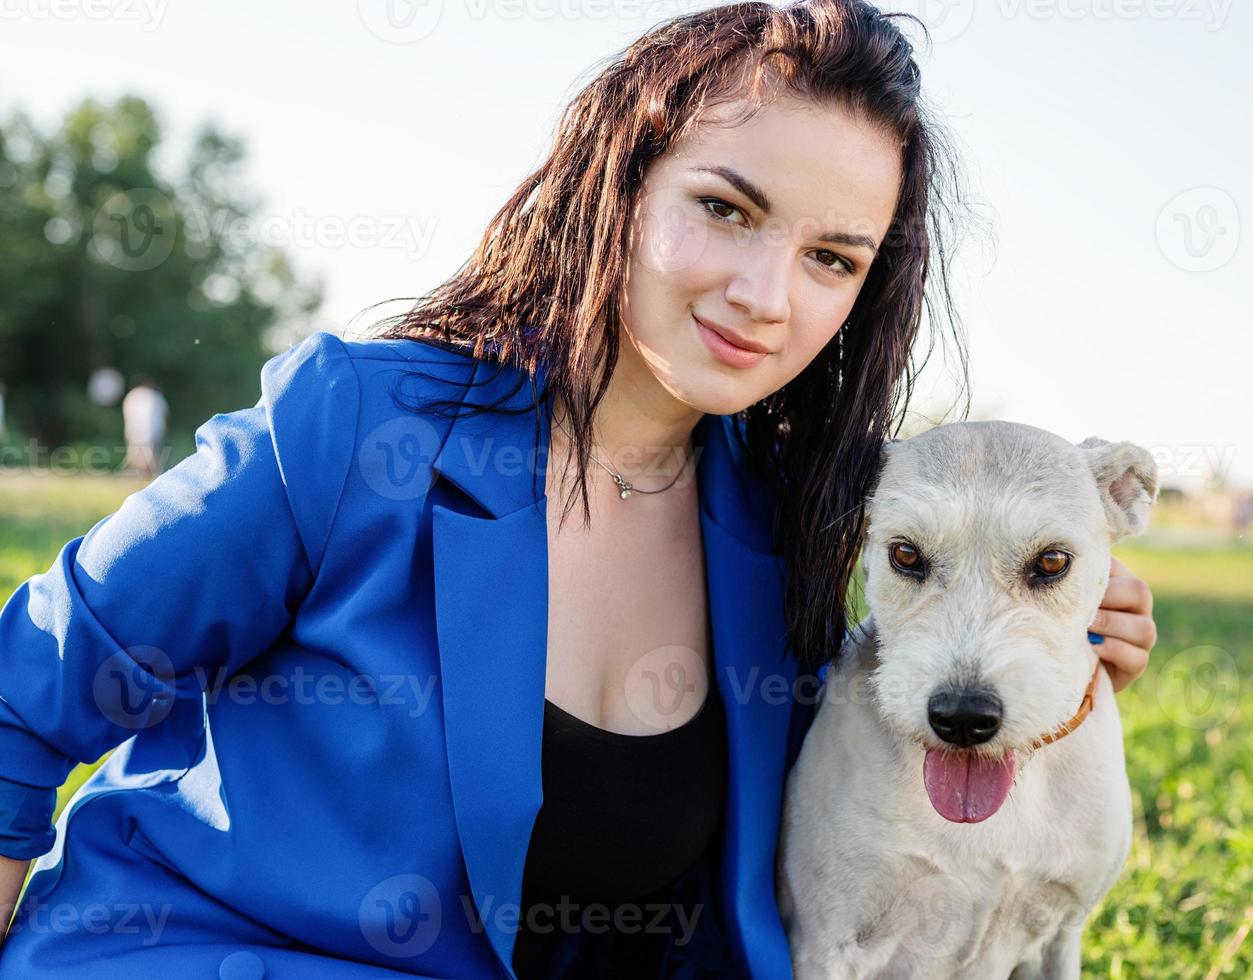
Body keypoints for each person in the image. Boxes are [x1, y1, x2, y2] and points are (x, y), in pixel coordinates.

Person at [0, 2, 1159, 976]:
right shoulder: (357, 427)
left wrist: (1053, 629)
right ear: (621, 184)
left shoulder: (784, 526)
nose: (766, 292)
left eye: (831, 257)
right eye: (725, 207)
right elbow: (23, 695)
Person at [121, 376, 168, 477]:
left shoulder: (132, 395)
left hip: (134, 430)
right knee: (150, 454)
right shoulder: (156, 396)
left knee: (137, 454)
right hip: (153, 431)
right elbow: (163, 414)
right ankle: (154, 475)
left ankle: (141, 474)